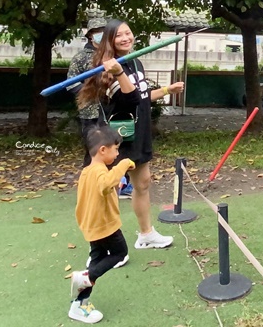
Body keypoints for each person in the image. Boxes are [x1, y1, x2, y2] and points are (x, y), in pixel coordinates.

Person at [78, 19, 184, 250]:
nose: (126, 38)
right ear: (109, 40)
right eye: (119, 36)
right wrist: (117, 72)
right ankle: (102, 246)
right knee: (108, 189)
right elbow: (129, 99)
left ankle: (146, 234)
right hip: (116, 137)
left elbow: (142, 95)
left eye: (128, 33)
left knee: (143, 183)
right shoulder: (107, 67)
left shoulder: (133, 62)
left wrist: (167, 90)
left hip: (139, 131)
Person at [69, 126, 135, 323]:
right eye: (115, 149)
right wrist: (122, 165)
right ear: (102, 150)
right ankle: (86, 277)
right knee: (119, 253)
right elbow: (106, 184)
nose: (117, 153)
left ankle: (79, 303)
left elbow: (103, 189)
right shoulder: (99, 172)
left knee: (97, 259)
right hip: (105, 227)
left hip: (93, 227)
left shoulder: (88, 171)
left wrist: (118, 181)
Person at [68, 18, 133, 198]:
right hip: (90, 112)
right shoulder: (81, 58)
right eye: (96, 31)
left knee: (116, 146)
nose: (99, 34)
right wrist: (89, 92)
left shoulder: (113, 56)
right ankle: (90, 186)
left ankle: (121, 184)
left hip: (112, 111)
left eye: (103, 31)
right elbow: (70, 83)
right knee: (95, 149)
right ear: (90, 36)